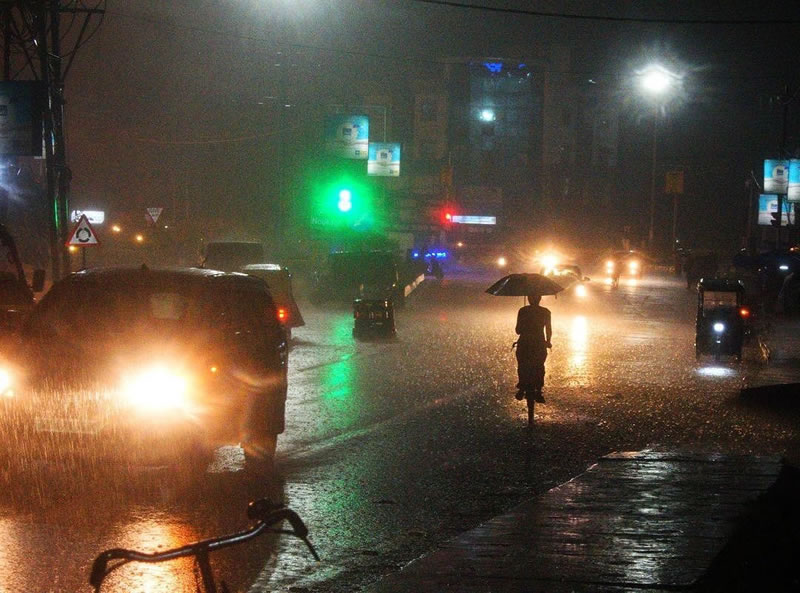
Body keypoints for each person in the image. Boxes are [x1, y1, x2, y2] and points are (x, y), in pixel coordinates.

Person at [514, 293, 552, 403]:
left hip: (524, 343)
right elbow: (548, 329)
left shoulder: (523, 311)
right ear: (539, 299)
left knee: (522, 366)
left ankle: (521, 389)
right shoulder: (545, 312)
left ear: (529, 299)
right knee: (539, 366)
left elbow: (518, 331)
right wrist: (548, 342)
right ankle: (539, 391)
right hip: (539, 343)